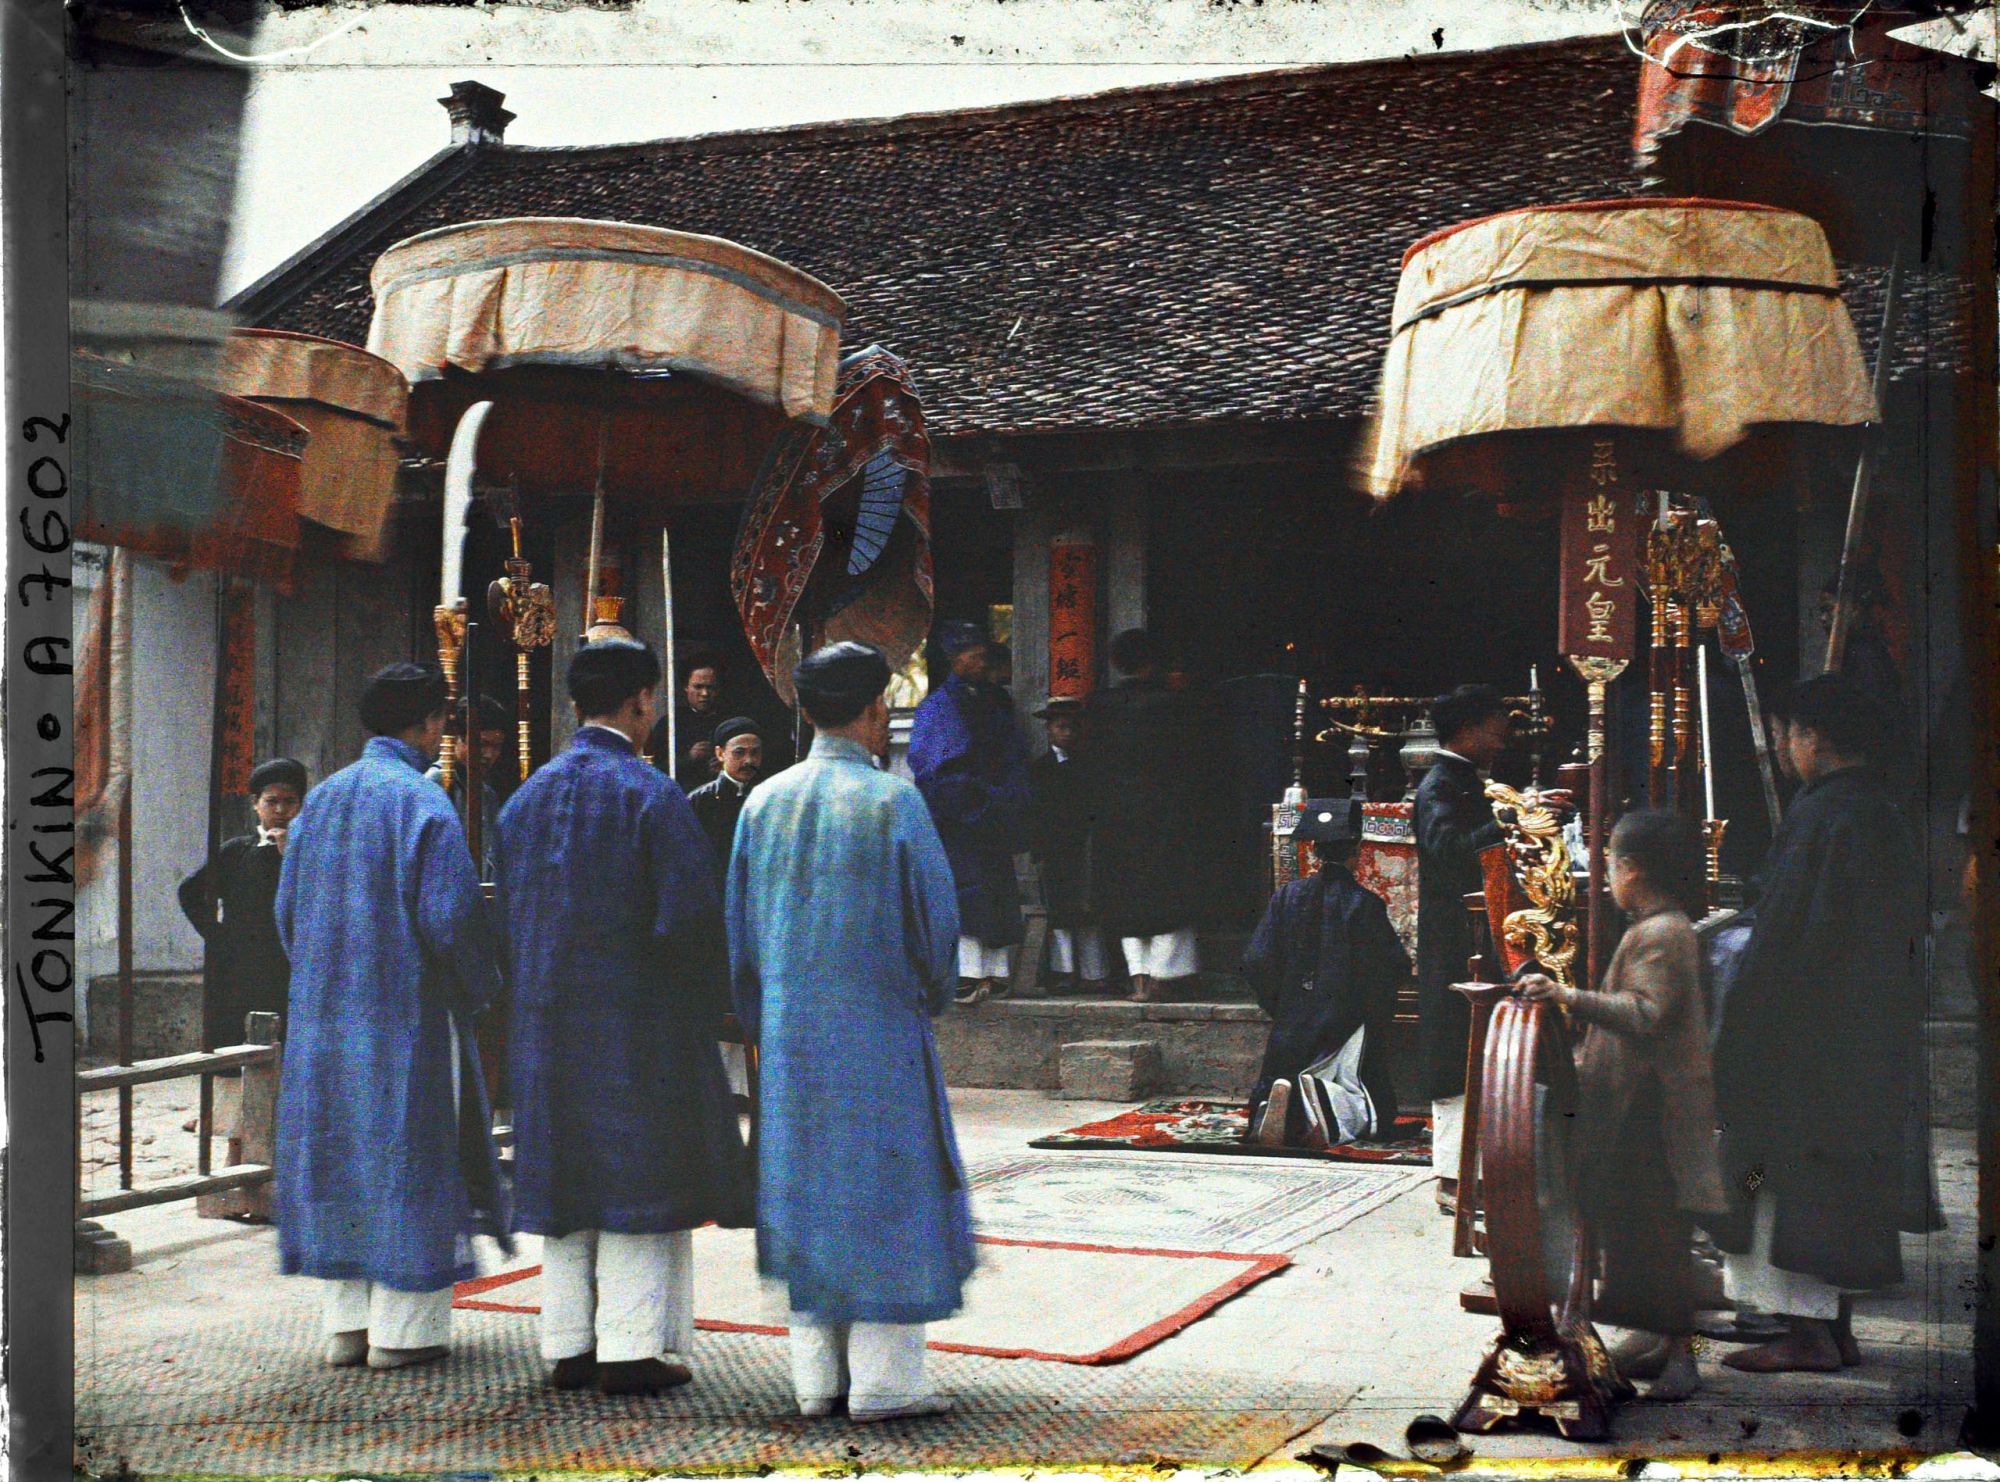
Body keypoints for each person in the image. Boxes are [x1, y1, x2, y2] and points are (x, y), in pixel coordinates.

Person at [494, 638, 750, 1398]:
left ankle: (568, 1342)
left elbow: (503, 916)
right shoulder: (651, 795)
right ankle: (632, 1347)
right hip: (639, 1025)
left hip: (543, 1022)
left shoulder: (524, 799)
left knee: (567, 1179)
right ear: (642, 700)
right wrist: (719, 1007)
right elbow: (692, 919)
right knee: (642, 1178)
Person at [727, 641, 973, 1423]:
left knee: (807, 1191)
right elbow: (937, 930)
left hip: (790, 1033)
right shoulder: (893, 803)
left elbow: (739, 939)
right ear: (875, 712)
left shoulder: (762, 801)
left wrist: (761, 1015)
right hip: (878, 1028)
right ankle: (884, 1381)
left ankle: (815, 1380)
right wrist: (930, 997)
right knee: (887, 1191)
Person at [273, 663, 509, 1371]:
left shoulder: (320, 801)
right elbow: (453, 918)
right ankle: (405, 1331)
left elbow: (287, 914)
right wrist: (483, 985)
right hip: (407, 1011)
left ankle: (345, 1327)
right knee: (413, 1152)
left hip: (325, 1012)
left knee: (341, 1153)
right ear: (430, 722)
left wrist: (322, 972)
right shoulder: (422, 803)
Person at [1708, 673, 1933, 1373]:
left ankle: (1803, 1335)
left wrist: (1742, 1020)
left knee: (1780, 1177)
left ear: (1815, 737)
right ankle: (1832, 1326)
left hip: (1805, 1036)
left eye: (1786, 734)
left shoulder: (1825, 815)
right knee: (1834, 1178)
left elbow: (1785, 937)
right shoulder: (1881, 811)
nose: (1782, 749)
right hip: (1861, 1033)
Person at [1518, 809, 1728, 1402]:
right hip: (1639, 1106)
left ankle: (1681, 1355)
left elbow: (1645, 1013)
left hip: (1653, 1113)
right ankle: (1657, 1339)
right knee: (1634, 1230)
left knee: (1658, 1233)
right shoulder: (1653, 927)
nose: (1605, 874)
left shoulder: (1664, 932)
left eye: (1608, 862)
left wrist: (1567, 995)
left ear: (1632, 870)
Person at [1243, 799, 1407, 1148]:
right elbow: (1392, 968)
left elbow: (1256, 959)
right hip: (1343, 1022)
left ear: (1314, 851)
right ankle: (1323, 1114)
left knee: (1283, 1070)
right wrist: (1368, 1015)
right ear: (1357, 852)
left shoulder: (1286, 896)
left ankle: (1274, 1109)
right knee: (1353, 1083)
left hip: (1291, 1022)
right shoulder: (1365, 904)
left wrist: (1283, 1004)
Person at [1414, 684, 1510, 1211]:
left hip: (1478, 935)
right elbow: (1449, 850)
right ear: (1468, 729)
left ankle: (1478, 1171)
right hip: (1455, 940)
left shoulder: (1466, 781)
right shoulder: (1438, 787)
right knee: (1456, 1051)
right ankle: (1452, 1178)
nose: (1503, 739)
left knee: (1480, 1052)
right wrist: (1505, 824)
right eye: (1496, 726)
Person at [909, 621, 1030, 1005]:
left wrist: (1007, 798)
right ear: (955, 659)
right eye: (973, 656)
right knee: (966, 891)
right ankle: (967, 973)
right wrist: (972, 800)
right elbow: (936, 765)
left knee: (995, 889)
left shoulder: (995, 700)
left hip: (994, 810)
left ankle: (995, 973)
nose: (980, 662)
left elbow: (1013, 755)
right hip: (959, 814)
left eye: (983, 655)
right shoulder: (938, 707)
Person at [1085, 629, 1208, 1002]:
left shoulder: (1098, 704)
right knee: (1167, 896)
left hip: (1114, 813)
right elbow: (1195, 761)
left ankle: (1137, 978)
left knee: (1126, 898)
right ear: (1154, 663)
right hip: (1165, 812)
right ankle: (1162, 978)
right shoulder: (1174, 704)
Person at [179, 757, 306, 1052]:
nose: (280, 810)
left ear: (301, 805)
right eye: (271, 800)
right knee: (236, 1049)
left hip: (289, 965)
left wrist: (292, 856)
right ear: (255, 804)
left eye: (289, 801)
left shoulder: (314, 852)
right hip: (241, 967)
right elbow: (189, 892)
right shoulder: (237, 852)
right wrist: (220, 937)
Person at [1027, 697, 1106, 993]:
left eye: (1073, 727)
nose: (1068, 733)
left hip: (1086, 847)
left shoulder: (1092, 768)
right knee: (1058, 912)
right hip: (1055, 849)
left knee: (1089, 910)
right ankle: (1064, 971)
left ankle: (1094, 973)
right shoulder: (1039, 769)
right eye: (1061, 727)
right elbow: (1035, 814)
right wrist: (1039, 850)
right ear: (1049, 731)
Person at [426, 695, 508, 873]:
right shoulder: (435, 783)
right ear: (457, 738)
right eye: (482, 744)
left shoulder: (487, 794)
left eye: (497, 747)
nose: (489, 754)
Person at [686, 717, 764, 888]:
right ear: (720, 754)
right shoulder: (699, 800)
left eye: (755, 753)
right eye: (739, 753)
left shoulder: (768, 798)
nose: (748, 761)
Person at [648, 653, 729, 793]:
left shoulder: (730, 721)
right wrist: (689, 758)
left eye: (711, 687)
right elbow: (652, 770)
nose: (704, 693)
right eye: (698, 687)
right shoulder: (670, 723)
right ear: (686, 687)